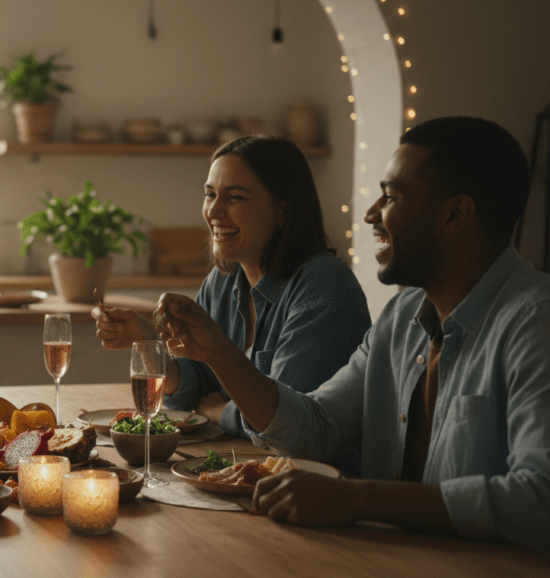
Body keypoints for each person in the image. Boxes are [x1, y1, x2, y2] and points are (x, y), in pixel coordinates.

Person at [157, 117, 550, 551]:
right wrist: (218, 353)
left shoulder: (535, 323)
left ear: (455, 214)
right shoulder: (401, 320)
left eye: (392, 196)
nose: (370, 214)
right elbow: (316, 427)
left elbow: (540, 498)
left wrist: (359, 497)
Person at [93, 135, 371, 466]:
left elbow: (287, 429)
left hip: (314, 489)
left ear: (283, 210)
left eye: (235, 197)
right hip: (239, 467)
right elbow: (197, 387)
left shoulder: (321, 290)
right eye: (210, 194)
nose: (213, 211)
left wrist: (221, 411)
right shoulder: (223, 279)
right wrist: (150, 348)